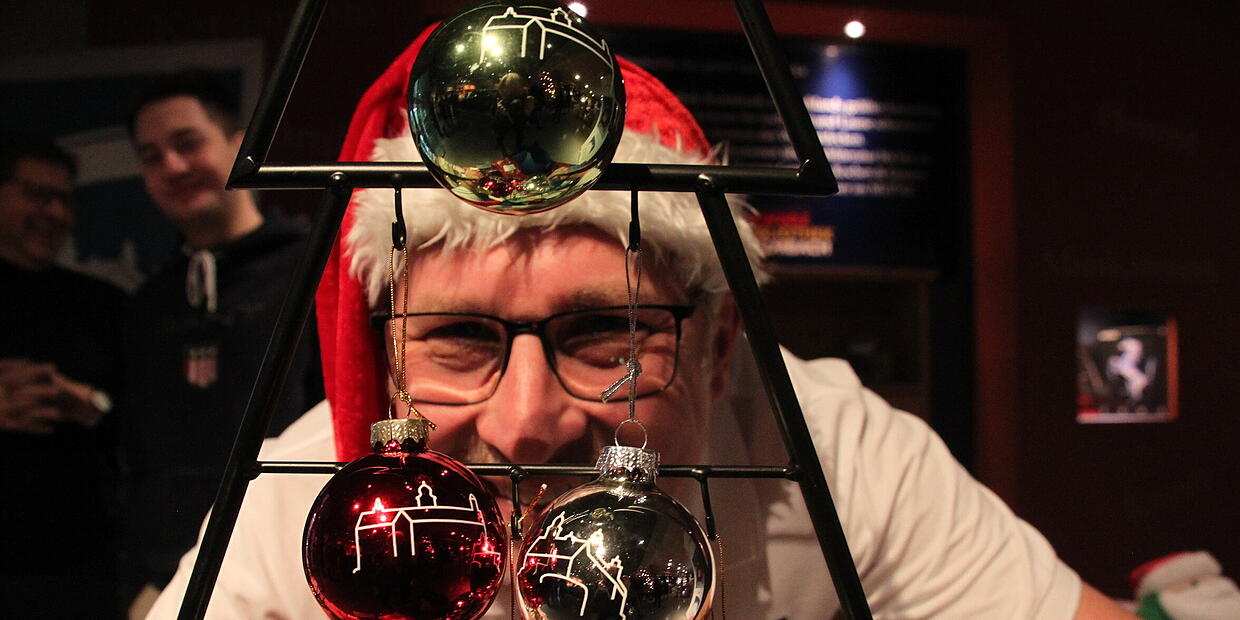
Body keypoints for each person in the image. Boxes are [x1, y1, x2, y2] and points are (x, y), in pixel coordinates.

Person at [147, 32, 1136, 619]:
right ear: (385, 351)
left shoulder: (833, 445)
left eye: (602, 335)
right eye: (459, 340)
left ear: (719, 349)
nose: (527, 424)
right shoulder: (322, 501)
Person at [122, 70, 324, 606]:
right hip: (161, 578)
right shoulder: (148, 303)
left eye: (188, 143)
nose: (173, 166)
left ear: (238, 145)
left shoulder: (316, 269)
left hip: (290, 570)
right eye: (152, 156)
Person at [0, 131, 126, 618]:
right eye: (36, 195)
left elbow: (140, 426)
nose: (54, 213)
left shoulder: (105, 307)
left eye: (64, 200)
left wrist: (91, 405)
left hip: (80, 566)